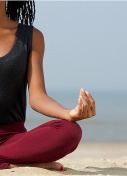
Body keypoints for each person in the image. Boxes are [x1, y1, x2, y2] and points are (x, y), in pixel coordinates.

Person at [0, 1, 96, 170]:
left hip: (12, 140)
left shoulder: (31, 36)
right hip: (9, 151)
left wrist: (69, 113)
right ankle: (10, 163)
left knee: (70, 131)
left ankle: (7, 160)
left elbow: (37, 97)